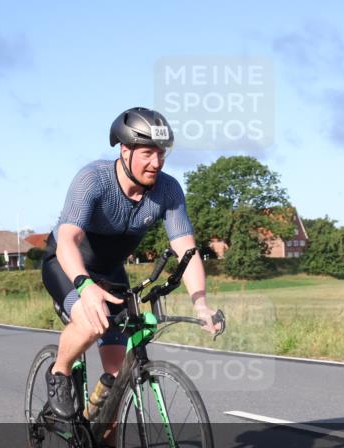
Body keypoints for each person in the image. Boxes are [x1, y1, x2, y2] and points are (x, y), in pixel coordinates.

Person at [41, 107, 222, 418]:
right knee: (90, 320)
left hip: (111, 273)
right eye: (148, 153)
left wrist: (200, 303)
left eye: (161, 153)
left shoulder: (168, 190)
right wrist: (85, 286)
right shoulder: (93, 179)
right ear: (125, 151)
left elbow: (186, 250)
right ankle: (59, 372)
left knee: (119, 381)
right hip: (66, 266)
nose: (157, 162)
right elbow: (68, 241)